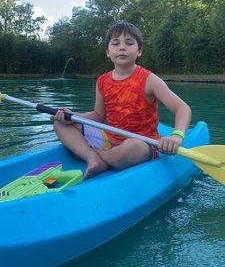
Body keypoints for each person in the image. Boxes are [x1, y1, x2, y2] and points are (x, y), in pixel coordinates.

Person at [53, 21, 191, 179]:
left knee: (135, 147)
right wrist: (71, 116)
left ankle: (96, 157)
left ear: (139, 51)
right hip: (109, 139)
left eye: (129, 43)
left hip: (142, 143)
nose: (122, 47)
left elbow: (182, 108)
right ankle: (93, 157)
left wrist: (177, 135)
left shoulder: (149, 80)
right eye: (115, 43)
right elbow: (98, 116)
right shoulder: (102, 81)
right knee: (60, 124)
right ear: (107, 51)